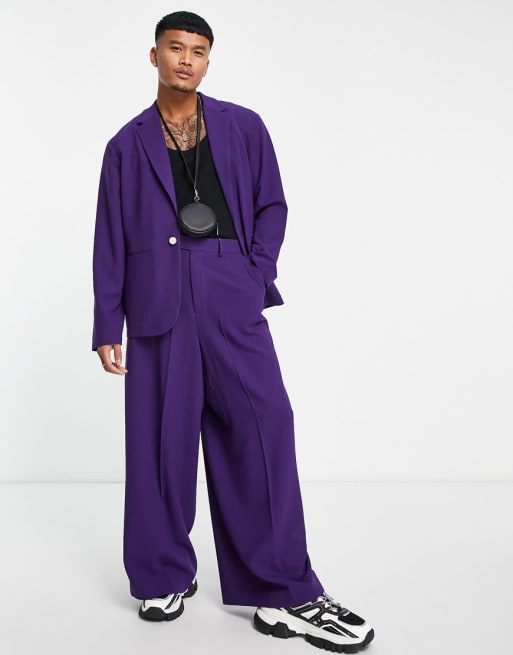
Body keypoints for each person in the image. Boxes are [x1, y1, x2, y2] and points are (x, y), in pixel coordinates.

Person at [91, 10, 374, 652]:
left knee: (264, 424)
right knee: (159, 442)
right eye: (175, 48)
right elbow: (109, 235)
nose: (186, 60)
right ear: (155, 56)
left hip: (228, 286)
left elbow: (272, 203)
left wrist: (253, 272)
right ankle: (162, 573)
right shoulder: (125, 144)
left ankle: (279, 589)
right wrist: (108, 320)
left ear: (208, 60)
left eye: (198, 51)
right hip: (156, 297)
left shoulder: (243, 126)